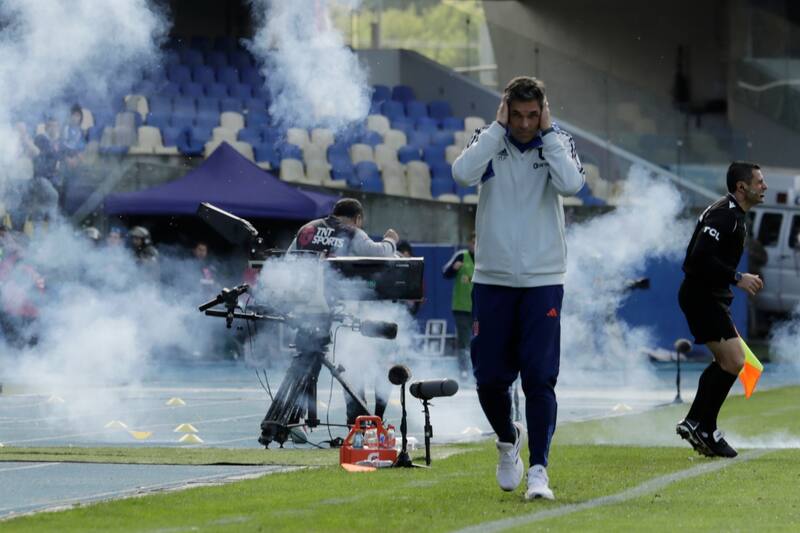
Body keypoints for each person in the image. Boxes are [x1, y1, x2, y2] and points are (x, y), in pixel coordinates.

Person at [452, 76, 584, 500]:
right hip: (492, 278)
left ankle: (540, 471)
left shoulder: (557, 141)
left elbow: (571, 184)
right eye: (517, 115)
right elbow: (461, 173)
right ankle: (508, 441)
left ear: (543, 111)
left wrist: (549, 135)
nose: (524, 124)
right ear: (504, 110)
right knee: (489, 379)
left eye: (533, 115)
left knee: (540, 379)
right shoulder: (489, 140)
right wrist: (494, 131)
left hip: (543, 279)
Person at [676, 161, 767, 458]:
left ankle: (696, 422)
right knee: (734, 360)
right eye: (759, 182)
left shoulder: (734, 214)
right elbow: (697, 259)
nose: (764, 187)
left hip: (709, 297)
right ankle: (704, 426)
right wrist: (737, 278)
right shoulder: (725, 215)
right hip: (701, 296)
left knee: (727, 361)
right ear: (742, 187)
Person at [288, 197, 399, 425]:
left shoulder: (307, 229)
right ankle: (356, 422)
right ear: (357, 219)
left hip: (302, 306)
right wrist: (390, 240)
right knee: (352, 363)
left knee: (304, 363)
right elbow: (379, 253)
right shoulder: (351, 232)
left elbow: (287, 262)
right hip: (335, 307)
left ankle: (291, 420)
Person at [442, 232, 475, 379]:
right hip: (461, 308)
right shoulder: (461, 256)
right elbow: (445, 273)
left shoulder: (485, 259)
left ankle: (476, 368)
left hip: (478, 309)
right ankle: (464, 370)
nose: (475, 245)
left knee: (478, 339)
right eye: (473, 242)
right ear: (469, 243)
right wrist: (454, 268)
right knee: (463, 340)